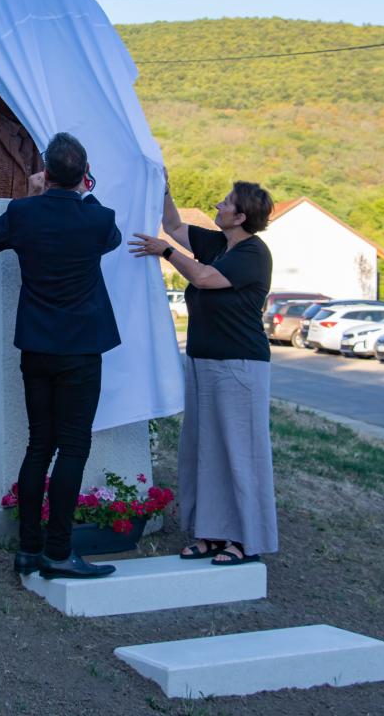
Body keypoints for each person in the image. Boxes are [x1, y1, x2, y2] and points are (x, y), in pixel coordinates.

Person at [0, 132, 122, 580]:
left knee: (39, 445)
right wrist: (85, 192)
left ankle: (28, 549)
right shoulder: (97, 218)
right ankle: (58, 552)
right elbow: (113, 238)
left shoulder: (23, 213)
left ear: (45, 173)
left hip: (37, 346)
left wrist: (32, 194)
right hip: (81, 349)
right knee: (74, 446)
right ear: (84, 175)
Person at [129, 176, 277, 566]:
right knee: (205, 450)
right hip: (203, 362)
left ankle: (245, 540)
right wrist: (162, 186)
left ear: (241, 216)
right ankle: (211, 535)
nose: (218, 206)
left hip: (239, 366)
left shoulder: (253, 253)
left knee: (240, 453)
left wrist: (166, 253)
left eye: (226, 202)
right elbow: (174, 226)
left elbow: (204, 278)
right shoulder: (218, 244)